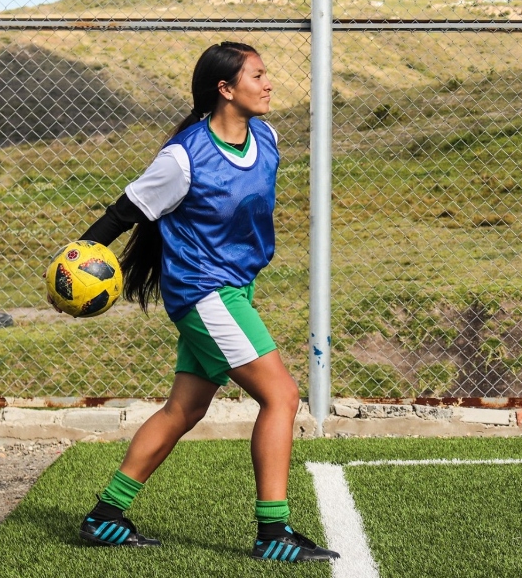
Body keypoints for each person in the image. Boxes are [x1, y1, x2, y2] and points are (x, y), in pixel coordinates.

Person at [67, 41, 338, 562]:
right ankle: (272, 532)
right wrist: (80, 258)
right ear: (226, 88)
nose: (268, 84)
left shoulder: (267, 137)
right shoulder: (183, 156)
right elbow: (127, 211)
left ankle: (105, 516)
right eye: (258, 75)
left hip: (235, 288)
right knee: (281, 397)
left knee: (185, 408)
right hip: (203, 293)